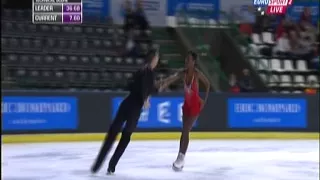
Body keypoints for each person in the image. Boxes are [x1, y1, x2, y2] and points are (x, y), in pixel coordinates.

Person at [90, 49, 170, 175]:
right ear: (154, 59)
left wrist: (156, 88)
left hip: (126, 104)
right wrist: (145, 98)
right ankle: (112, 166)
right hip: (134, 109)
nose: (157, 61)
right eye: (157, 58)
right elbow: (145, 87)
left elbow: (140, 86)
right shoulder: (148, 72)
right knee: (125, 137)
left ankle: (97, 166)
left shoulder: (142, 70)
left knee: (112, 134)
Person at [158, 51, 210, 171]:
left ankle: (181, 158)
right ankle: (180, 156)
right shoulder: (183, 73)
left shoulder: (197, 74)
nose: (186, 62)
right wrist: (164, 84)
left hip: (195, 106)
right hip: (186, 105)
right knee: (184, 131)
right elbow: (173, 78)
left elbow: (207, 84)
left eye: (188, 60)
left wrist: (204, 101)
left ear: (194, 62)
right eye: (186, 59)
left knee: (186, 129)